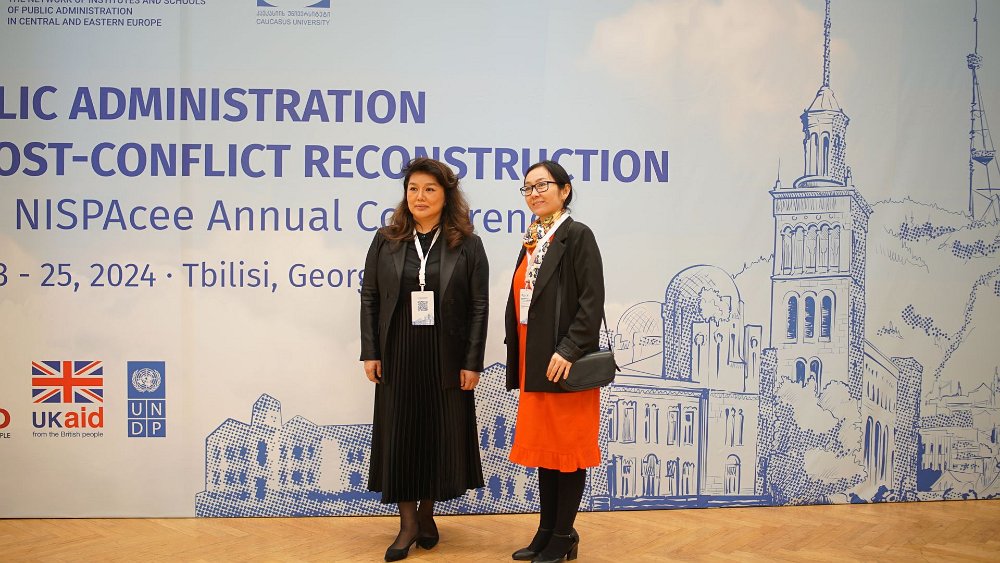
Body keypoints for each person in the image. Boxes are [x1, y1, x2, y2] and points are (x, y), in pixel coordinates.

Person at [360, 157, 489, 562]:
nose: (420, 196)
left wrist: (472, 361)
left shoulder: (467, 244)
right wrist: (370, 352)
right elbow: (370, 297)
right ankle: (408, 524)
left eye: (429, 189)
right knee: (401, 435)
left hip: (445, 354)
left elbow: (479, 306)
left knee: (436, 434)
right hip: (398, 351)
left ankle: (428, 515)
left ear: (446, 195)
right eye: (413, 188)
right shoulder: (387, 239)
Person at [505, 160, 605, 562]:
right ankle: (546, 531)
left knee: (568, 450)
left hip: (565, 362)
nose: (534, 193)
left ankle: (564, 535)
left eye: (542, 185)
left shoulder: (577, 236)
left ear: (564, 190)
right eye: (528, 187)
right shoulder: (533, 238)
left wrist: (568, 349)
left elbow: (591, 301)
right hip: (534, 359)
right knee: (547, 451)